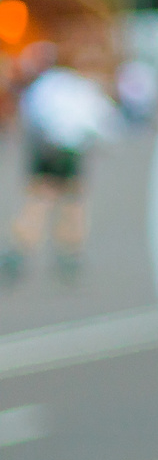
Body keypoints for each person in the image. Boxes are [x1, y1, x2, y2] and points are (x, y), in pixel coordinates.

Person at [7, 43, 119, 281]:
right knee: (73, 203)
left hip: (46, 149)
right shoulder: (80, 86)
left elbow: (31, 117)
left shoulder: (44, 85)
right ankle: (70, 250)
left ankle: (21, 247)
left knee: (40, 200)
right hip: (69, 150)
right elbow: (100, 121)